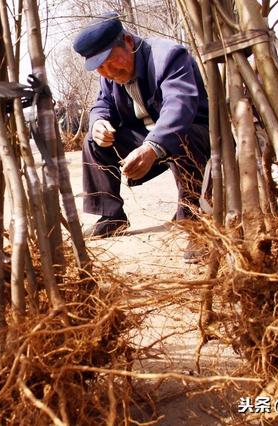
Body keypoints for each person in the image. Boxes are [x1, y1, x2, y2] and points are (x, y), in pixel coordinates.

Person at [72, 11, 210, 260]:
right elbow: (102, 104)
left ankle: (196, 222)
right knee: (94, 141)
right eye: (100, 68)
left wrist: (152, 147)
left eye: (112, 61)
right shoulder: (109, 76)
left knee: (181, 134)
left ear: (127, 41)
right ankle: (111, 216)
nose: (110, 71)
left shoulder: (168, 55)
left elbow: (179, 107)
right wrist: (99, 123)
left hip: (195, 134)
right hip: (147, 139)